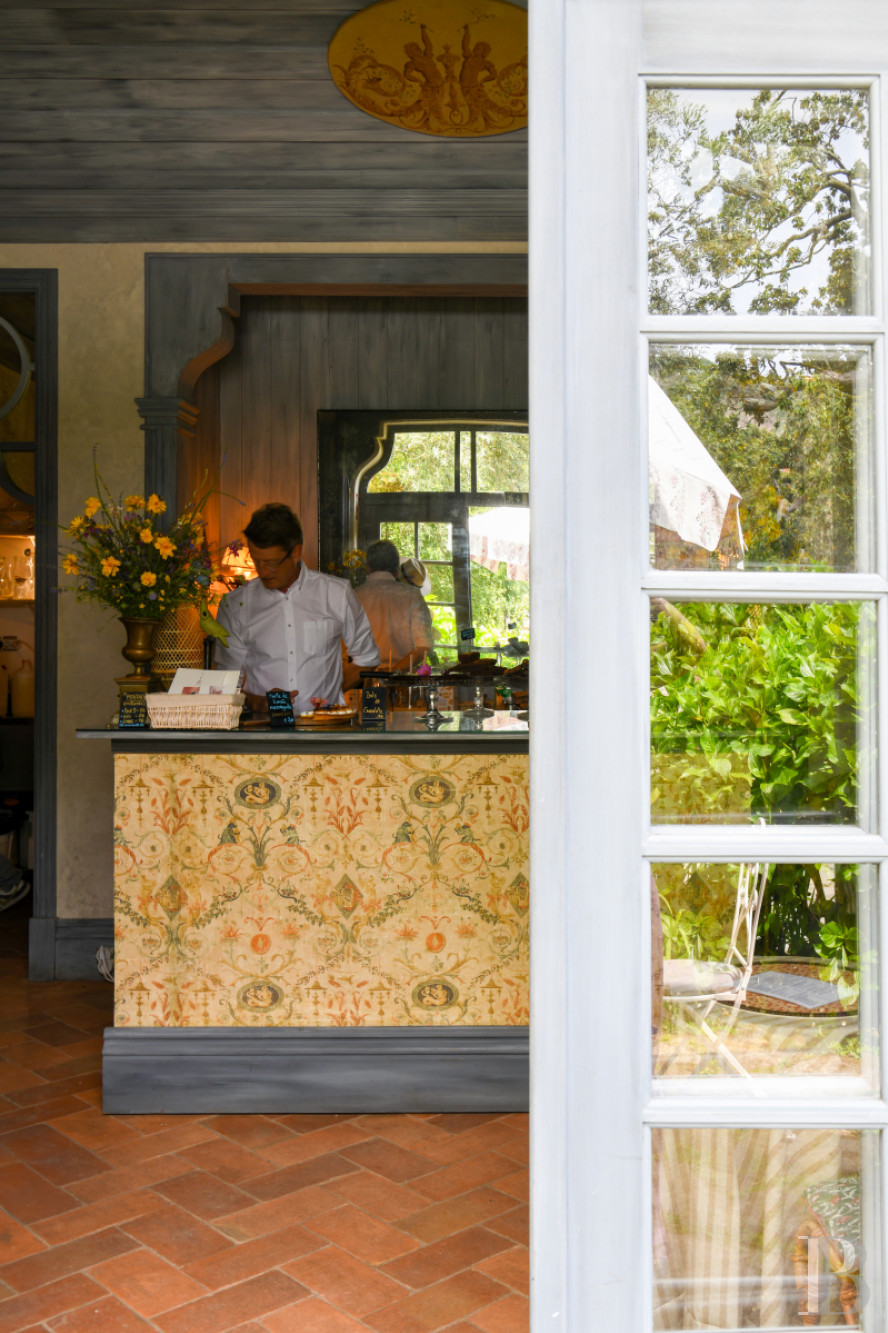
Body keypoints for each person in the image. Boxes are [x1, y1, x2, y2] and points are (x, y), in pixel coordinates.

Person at [214, 503, 379, 714]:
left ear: (296, 552)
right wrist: (258, 703)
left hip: (325, 733)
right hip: (262, 734)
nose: (263, 571)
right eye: (257, 561)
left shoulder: (336, 593)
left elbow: (368, 658)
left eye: (272, 563)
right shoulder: (235, 605)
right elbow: (225, 683)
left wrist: (329, 697)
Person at [355, 540, 434, 672]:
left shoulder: (353, 596)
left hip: (358, 683)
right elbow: (424, 647)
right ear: (397, 571)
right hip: (400, 683)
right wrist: (393, 672)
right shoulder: (412, 596)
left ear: (367, 567)